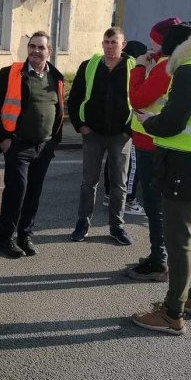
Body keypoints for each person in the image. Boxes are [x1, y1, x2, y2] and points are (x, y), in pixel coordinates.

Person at [132, 21, 191, 335]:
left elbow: (173, 122)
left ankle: (172, 313)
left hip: (183, 167)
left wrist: (149, 122)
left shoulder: (189, 71)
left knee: (180, 243)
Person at [0, 31, 64, 257]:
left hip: (45, 146)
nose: (35, 51)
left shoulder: (56, 77)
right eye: (32, 46)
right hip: (17, 145)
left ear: (49, 51)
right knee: (16, 191)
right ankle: (5, 238)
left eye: (41, 47)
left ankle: (25, 235)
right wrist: (4, 140)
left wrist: (54, 141)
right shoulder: (10, 73)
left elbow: (58, 109)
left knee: (34, 192)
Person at [124, 18, 181, 282]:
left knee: (154, 207)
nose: (150, 43)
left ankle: (159, 263)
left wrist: (138, 67)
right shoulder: (174, 63)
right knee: (158, 207)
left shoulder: (164, 66)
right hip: (157, 142)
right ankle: (159, 257)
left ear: (164, 40)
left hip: (151, 143)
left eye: (154, 38)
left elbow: (137, 98)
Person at [68, 27, 135, 245]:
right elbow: (75, 97)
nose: (109, 46)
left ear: (123, 45)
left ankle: (117, 226)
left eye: (114, 42)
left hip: (121, 135)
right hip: (93, 134)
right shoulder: (90, 66)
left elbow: (142, 101)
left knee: (119, 184)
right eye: (106, 42)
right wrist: (81, 126)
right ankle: (82, 223)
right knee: (88, 182)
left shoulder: (134, 67)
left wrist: (129, 130)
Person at [102, 40, 148, 216]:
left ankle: (108, 194)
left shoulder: (117, 69)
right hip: (130, 126)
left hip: (117, 126)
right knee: (131, 164)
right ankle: (128, 200)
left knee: (114, 162)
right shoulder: (133, 72)